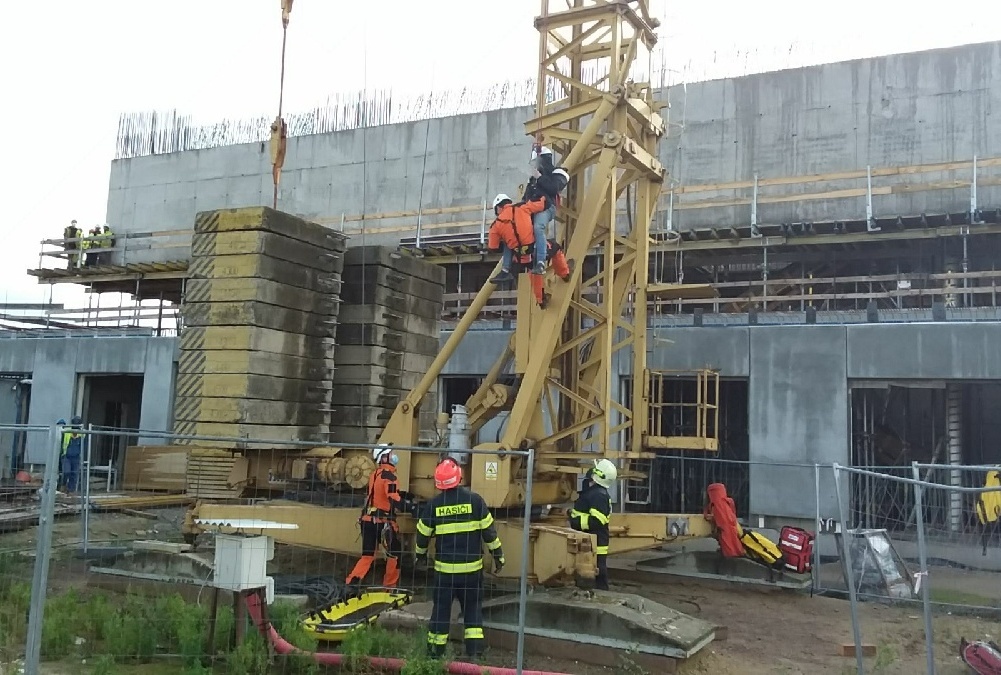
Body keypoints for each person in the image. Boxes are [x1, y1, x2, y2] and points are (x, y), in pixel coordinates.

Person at [415, 458, 504, 660]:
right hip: (472, 573)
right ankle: (474, 654)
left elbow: (422, 536)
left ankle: (434, 655)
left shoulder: (434, 505)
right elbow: (489, 533)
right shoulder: (475, 501)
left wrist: (420, 556)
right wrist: (498, 556)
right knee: (472, 610)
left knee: (441, 612)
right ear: (459, 477)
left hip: (445, 574)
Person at [346, 444, 404, 590]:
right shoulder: (389, 476)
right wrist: (410, 507)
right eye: (391, 454)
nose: (394, 456)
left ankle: (351, 584)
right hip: (383, 523)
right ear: (384, 457)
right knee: (394, 555)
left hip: (367, 521)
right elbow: (392, 497)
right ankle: (389, 588)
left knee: (367, 556)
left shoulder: (375, 474)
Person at [568, 458, 617, 591]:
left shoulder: (598, 496)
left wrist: (575, 521)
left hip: (595, 543)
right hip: (592, 541)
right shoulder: (595, 493)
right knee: (592, 571)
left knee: (597, 572)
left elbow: (596, 521)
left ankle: (602, 596)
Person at [521, 146, 569, 273]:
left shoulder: (555, 174)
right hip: (533, 208)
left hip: (547, 206)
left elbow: (554, 188)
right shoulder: (533, 180)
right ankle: (528, 258)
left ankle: (541, 261)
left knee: (538, 227)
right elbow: (526, 196)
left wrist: (540, 177)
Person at [486, 193, 547, 284]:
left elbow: (493, 247)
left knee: (506, 241)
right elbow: (541, 205)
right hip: (532, 247)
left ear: (498, 208)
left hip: (517, 251)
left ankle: (505, 270)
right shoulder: (523, 207)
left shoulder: (495, 225)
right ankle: (540, 263)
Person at [518, 238, 575, 309]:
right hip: (534, 248)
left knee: (533, 270)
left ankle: (541, 299)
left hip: (521, 253)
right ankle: (564, 273)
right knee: (555, 248)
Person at [60, 417, 84, 493]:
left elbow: (84, 446)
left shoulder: (82, 435)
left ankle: (71, 491)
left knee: (74, 474)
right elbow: (61, 444)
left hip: (76, 457)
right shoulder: (66, 433)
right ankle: (63, 485)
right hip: (66, 456)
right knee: (66, 472)